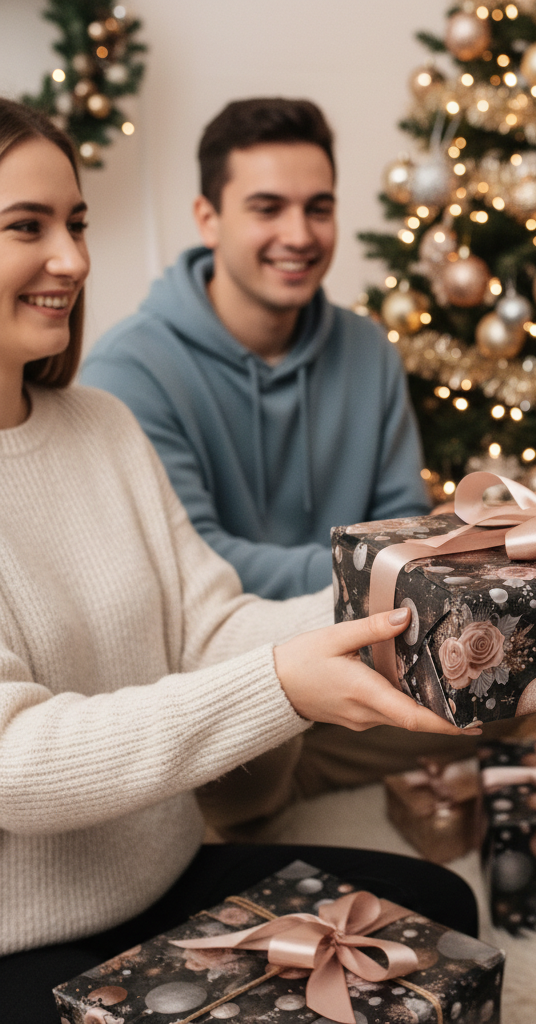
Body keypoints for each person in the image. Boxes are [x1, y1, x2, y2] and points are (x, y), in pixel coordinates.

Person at [0, 99, 478, 1024]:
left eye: (77, 223)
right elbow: (14, 762)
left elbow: (210, 621)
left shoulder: (100, 426)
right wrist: (282, 688)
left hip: (166, 881)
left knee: (441, 914)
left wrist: (420, 578)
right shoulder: (139, 371)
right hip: (18, 938)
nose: (74, 259)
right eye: (28, 227)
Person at [80, 98, 479, 814]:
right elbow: (197, 573)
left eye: (317, 208)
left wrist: (414, 557)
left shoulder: (366, 351)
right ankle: (278, 784)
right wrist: (377, 568)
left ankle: (297, 776)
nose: (298, 235)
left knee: (512, 689)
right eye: (267, 207)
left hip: (357, 639)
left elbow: (399, 522)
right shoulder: (127, 373)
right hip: (228, 670)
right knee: (260, 740)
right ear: (208, 218)